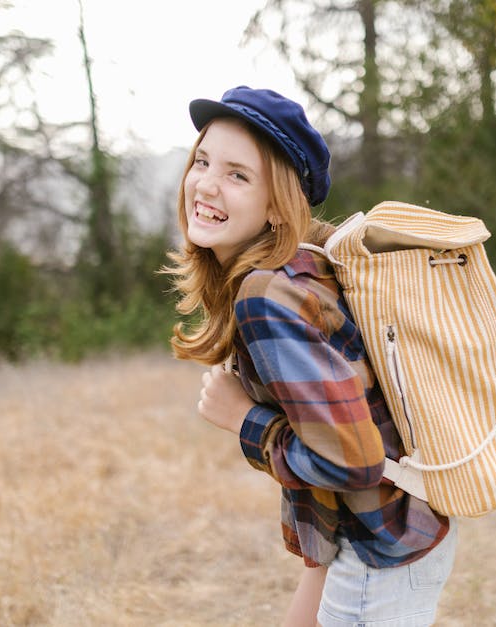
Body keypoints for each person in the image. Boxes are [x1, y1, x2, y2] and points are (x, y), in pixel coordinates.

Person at [165, 85, 457, 626]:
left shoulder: (267, 295)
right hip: (383, 536)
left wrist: (243, 419)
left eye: (237, 174)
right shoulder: (304, 266)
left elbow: (352, 460)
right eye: (202, 160)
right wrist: (314, 579)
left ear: (277, 205)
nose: (205, 183)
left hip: (381, 555)